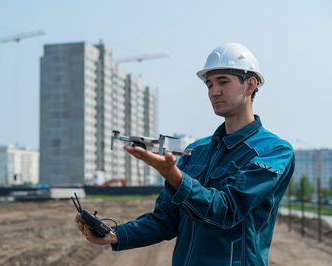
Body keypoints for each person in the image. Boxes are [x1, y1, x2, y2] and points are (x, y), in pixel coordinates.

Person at [76, 42, 295, 266]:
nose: (213, 91)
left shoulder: (274, 152)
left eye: (223, 82)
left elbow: (227, 210)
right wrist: (113, 234)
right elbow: (167, 219)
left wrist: (172, 174)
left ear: (250, 85)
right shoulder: (197, 151)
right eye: (209, 84)